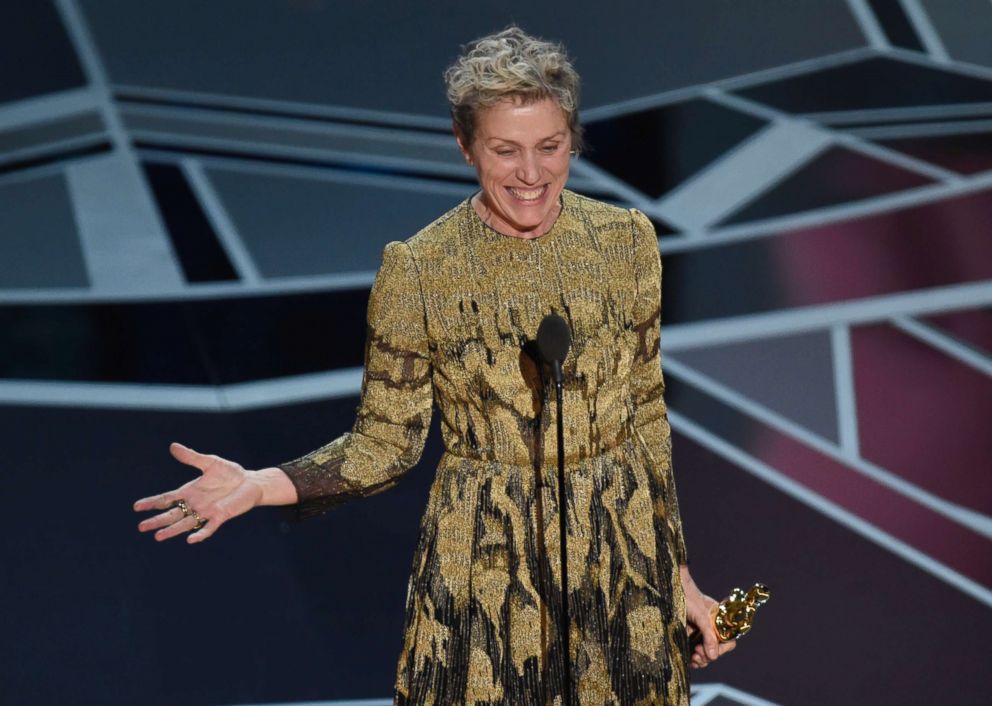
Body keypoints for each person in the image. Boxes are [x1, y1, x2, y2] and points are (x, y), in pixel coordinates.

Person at [134, 25, 735, 705]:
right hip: (489, 561)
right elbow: (385, 441)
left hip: (619, 556)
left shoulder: (626, 241)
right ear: (465, 146)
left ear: (574, 139)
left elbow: (646, 416)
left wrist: (678, 575)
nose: (532, 175)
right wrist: (262, 484)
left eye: (550, 147)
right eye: (506, 151)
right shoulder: (420, 269)